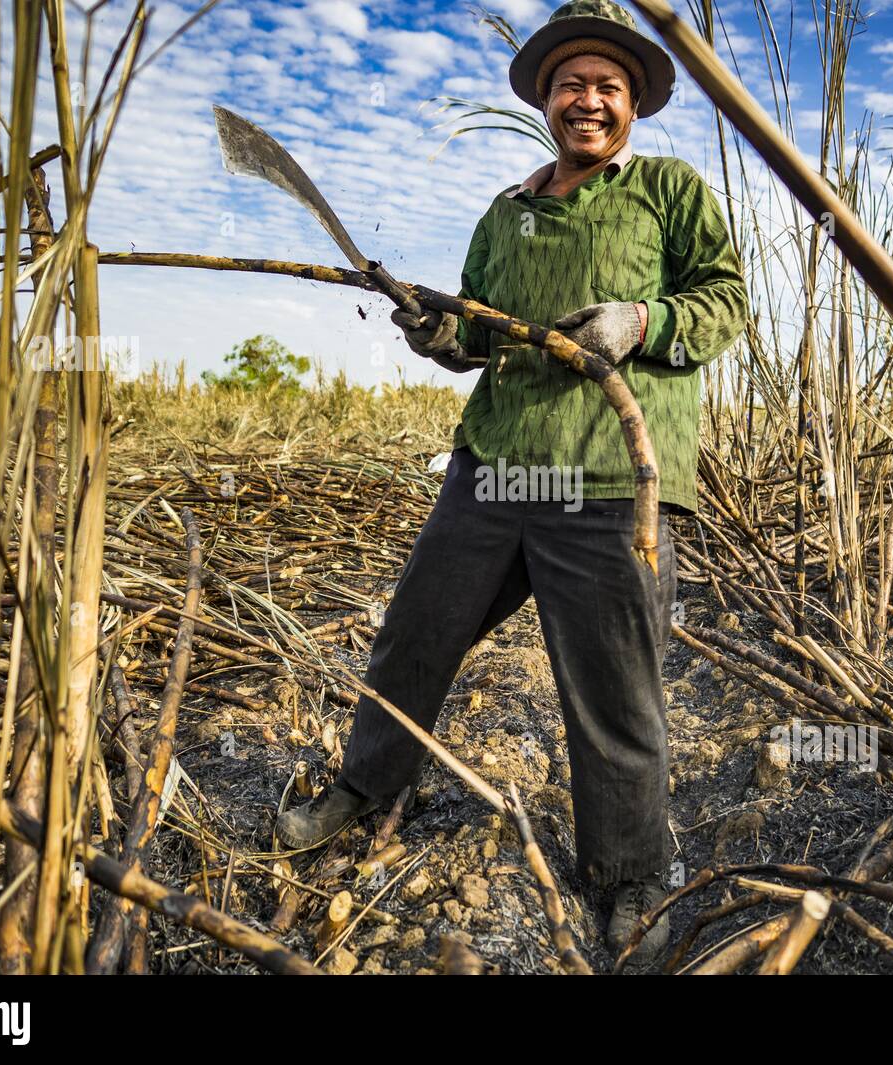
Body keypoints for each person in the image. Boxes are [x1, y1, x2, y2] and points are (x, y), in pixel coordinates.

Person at [276, 0, 748, 964]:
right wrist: (437, 329)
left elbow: (726, 298)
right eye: (571, 83)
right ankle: (366, 787)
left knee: (617, 691)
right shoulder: (507, 212)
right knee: (416, 631)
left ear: (632, 106)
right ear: (546, 98)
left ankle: (625, 877)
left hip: (614, 477)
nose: (589, 99)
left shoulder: (669, 191)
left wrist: (641, 322)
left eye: (607, 87)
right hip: (494, 465)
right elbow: (477, 334)